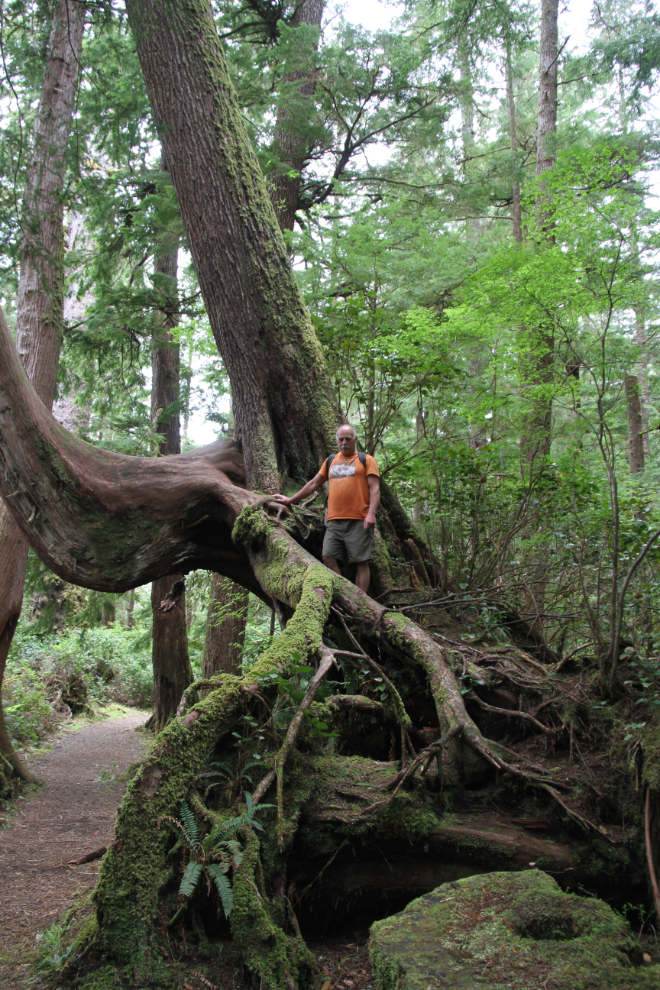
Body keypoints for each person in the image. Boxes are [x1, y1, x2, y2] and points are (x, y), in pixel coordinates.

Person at [273, 425, 380, 592]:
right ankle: (346, 594)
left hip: (359, 519)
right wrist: (290, 500)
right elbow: (314, 483)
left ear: (355, 440)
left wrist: (371, 514)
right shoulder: (331, 461)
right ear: (337, 441)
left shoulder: (366, 460)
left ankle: (361, 603)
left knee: (361, 562)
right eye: (341, 439)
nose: (344, 442)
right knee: (328, 557)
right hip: (334, 520)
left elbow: (374, 488)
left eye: (348, 439)